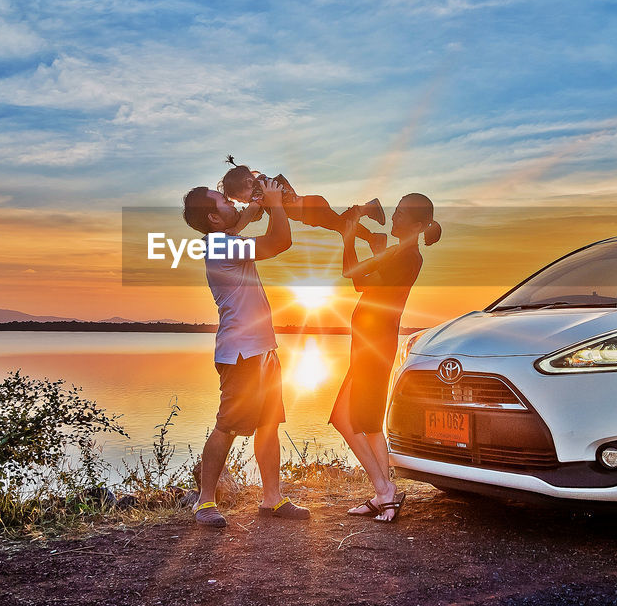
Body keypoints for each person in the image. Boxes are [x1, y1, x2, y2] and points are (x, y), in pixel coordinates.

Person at [181, 177, 310, 527]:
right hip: (240, 355)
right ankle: (205, 503)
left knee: (269, 425)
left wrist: (255, 205)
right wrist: (274, 203)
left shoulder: (225, 237)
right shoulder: (221, 248)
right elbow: (280, 241)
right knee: (227, 427)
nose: (229, 201)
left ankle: (272, 499)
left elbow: (239, 222)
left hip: (264, 349)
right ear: (213, 219)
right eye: (221, 201)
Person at [329, 193, 441, 523]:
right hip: (370, 340)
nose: (394, 217)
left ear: (419, 225)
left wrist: (348, 236)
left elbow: (356, 278)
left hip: (374, 343)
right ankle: (383, 492)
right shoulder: (398, 252)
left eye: (403, 214)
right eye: (397, 211)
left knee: (352, 419)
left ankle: (384, 490)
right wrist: (362, 240)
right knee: (361, 420)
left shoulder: (408, 257)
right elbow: (363, 275)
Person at [220, 156, 387, 254]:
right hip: (311, 206)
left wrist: (237, 229)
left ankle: (369, 222)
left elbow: (253, 211)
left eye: (242, 199)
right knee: (342, 225)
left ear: (248, 182)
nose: (246, 203)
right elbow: (259, 213)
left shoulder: (260, 188)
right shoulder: (262, 186)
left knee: (343, 226)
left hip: (311, 209)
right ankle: (372, 232)